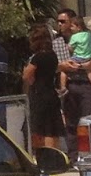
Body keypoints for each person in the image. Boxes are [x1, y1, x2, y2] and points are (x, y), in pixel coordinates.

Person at [56, 8, 91, 140]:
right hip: (68, 86)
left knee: (88, 121)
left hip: (86, 84)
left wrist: (83, 66)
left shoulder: (88, 38)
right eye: (58, 21)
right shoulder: (56, 43)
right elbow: (52, 66)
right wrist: (63, 66)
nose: (59, 24)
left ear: (72, 22)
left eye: (63, 21)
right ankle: (73, 152)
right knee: (70, 124)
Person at [21, 23, 65, 153]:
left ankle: (43, 156)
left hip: (38, 95)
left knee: (39, 129)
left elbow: (26, 76)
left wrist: (27, 72)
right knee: (52, 129)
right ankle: (55, 155)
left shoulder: (37, 57)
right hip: (51, 93)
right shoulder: (53, 56)